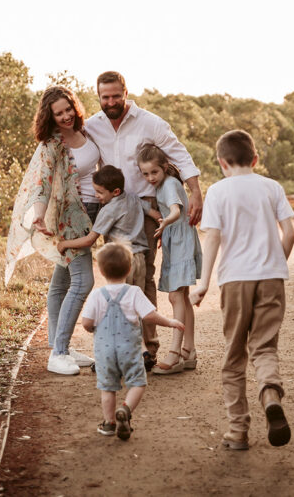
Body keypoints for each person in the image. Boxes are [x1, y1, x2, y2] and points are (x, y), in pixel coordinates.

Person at [84, 71, 202, 367]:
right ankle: (120, 349)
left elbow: (180, 154)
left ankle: (149, 349)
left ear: (125, 92)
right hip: (112, 208)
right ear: (98, 96)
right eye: (104, 97)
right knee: (116, 278)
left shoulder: (150, 122)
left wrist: (197, 192)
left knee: (144, 276)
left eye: (115, 96)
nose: (110, 102)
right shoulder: (92, 126)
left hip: (146, 209)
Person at [189, 129, 294, 450]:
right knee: (264, 348)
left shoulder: (219, 192)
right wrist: (276, 264)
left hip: (235, 280)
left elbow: (212, 239)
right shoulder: (272, 187)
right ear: (256, 159)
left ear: (222, 162)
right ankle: (270, 395)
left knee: (235, 354)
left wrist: (204, 283)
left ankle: (238, 431)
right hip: (271, 278)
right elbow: (289, 234)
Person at [5, 86, 101, 376]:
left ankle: (60, 345)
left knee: (60, 284)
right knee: (83, 282)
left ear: (74, 106)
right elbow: (42, 183)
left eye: (68, 109)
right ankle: (58, 353)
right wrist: (38, 215)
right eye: (58, 114)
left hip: (93, 211)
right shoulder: (52, 144)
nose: (65, 117)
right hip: (70, 219)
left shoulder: (86, 133)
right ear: (49, 116)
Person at [80, 242, 184, 440]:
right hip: (130, 351)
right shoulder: (134, 292)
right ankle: (126, 410)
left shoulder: (96, 295)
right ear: (129, 269)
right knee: (137, 383)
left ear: (101, 271)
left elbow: (86, 322)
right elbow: (150, 316)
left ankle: (109, 423)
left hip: (105, 352)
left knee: (108, 388)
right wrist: (170, 322)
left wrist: (92, 328)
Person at [57, 165, 160, 361]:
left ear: (115, 192)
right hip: (140, 260)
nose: (96, 196)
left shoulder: (109, 210)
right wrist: (162, 225)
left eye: (99, 192)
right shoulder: (133, 198)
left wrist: (65, 244)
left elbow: (89, 240)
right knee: (134, 306)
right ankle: (142, 350)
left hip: (122, 263)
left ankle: (127, 353)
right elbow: (154, 214)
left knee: (119, 308)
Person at [136, 142, 202, 375]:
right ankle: (189, 351)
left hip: (181, 241)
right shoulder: (162, 184)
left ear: (165, 167)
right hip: (178, 240)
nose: (150, 177)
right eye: (145, 174)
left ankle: (174, 353)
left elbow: (175, 210)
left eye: (154, 172)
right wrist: (162, 222)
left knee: (175, 297)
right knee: (182, 296)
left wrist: (166, 222)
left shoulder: (171, 184)